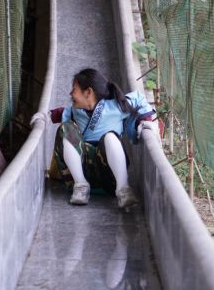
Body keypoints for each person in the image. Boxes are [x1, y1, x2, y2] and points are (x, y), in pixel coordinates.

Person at [40, 68, 157, 209]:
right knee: (67, 128)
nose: (71, 94)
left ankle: (123, 190)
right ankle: (81, 185)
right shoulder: (76, 110)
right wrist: (44, 117)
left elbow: (139, 100)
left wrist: (145, 121)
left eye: (74, 89)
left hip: (109, 176)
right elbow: (60, 113)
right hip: (81, 172)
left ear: (88, 92)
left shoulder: (116, 105)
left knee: (110, 137)